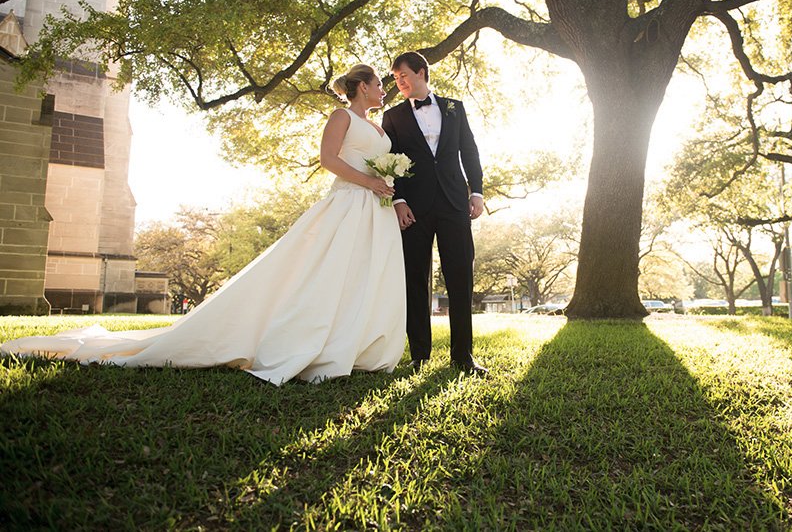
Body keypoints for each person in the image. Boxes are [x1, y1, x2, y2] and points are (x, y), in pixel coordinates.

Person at [0, 64, 405, 385]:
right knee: (326, 272)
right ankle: (312, 343)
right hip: (349, 203)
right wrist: (369, 181)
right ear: (361, 86)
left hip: (376, 210)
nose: (383, 88)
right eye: (378, 83)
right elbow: (329, 160)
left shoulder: (377, 125)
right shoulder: (341, 117)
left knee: (364, 276)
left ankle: (360, 346)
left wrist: (384, 182)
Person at [381, 51, 487, 375]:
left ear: (422, 73)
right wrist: (398, 201)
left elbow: (468, 149)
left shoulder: (455, 108)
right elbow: (388, 161)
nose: (400, 82)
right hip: (414, 208)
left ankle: (463, 357)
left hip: (455, 203)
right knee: (415, 279)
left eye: (404, 76)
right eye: (396, 78)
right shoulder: (393, 116)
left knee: (460, 277)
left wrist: (477, 191)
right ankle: (419, 356)